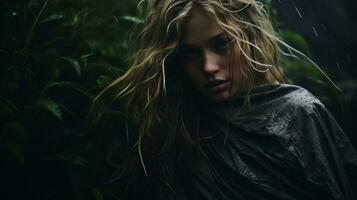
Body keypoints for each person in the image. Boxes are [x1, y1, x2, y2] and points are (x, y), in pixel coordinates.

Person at [91, 0, 357, 199]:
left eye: (221, 45)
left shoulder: (300, 114)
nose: (208, 66)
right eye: (191, 54)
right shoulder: (174, 133)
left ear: (247, 38)